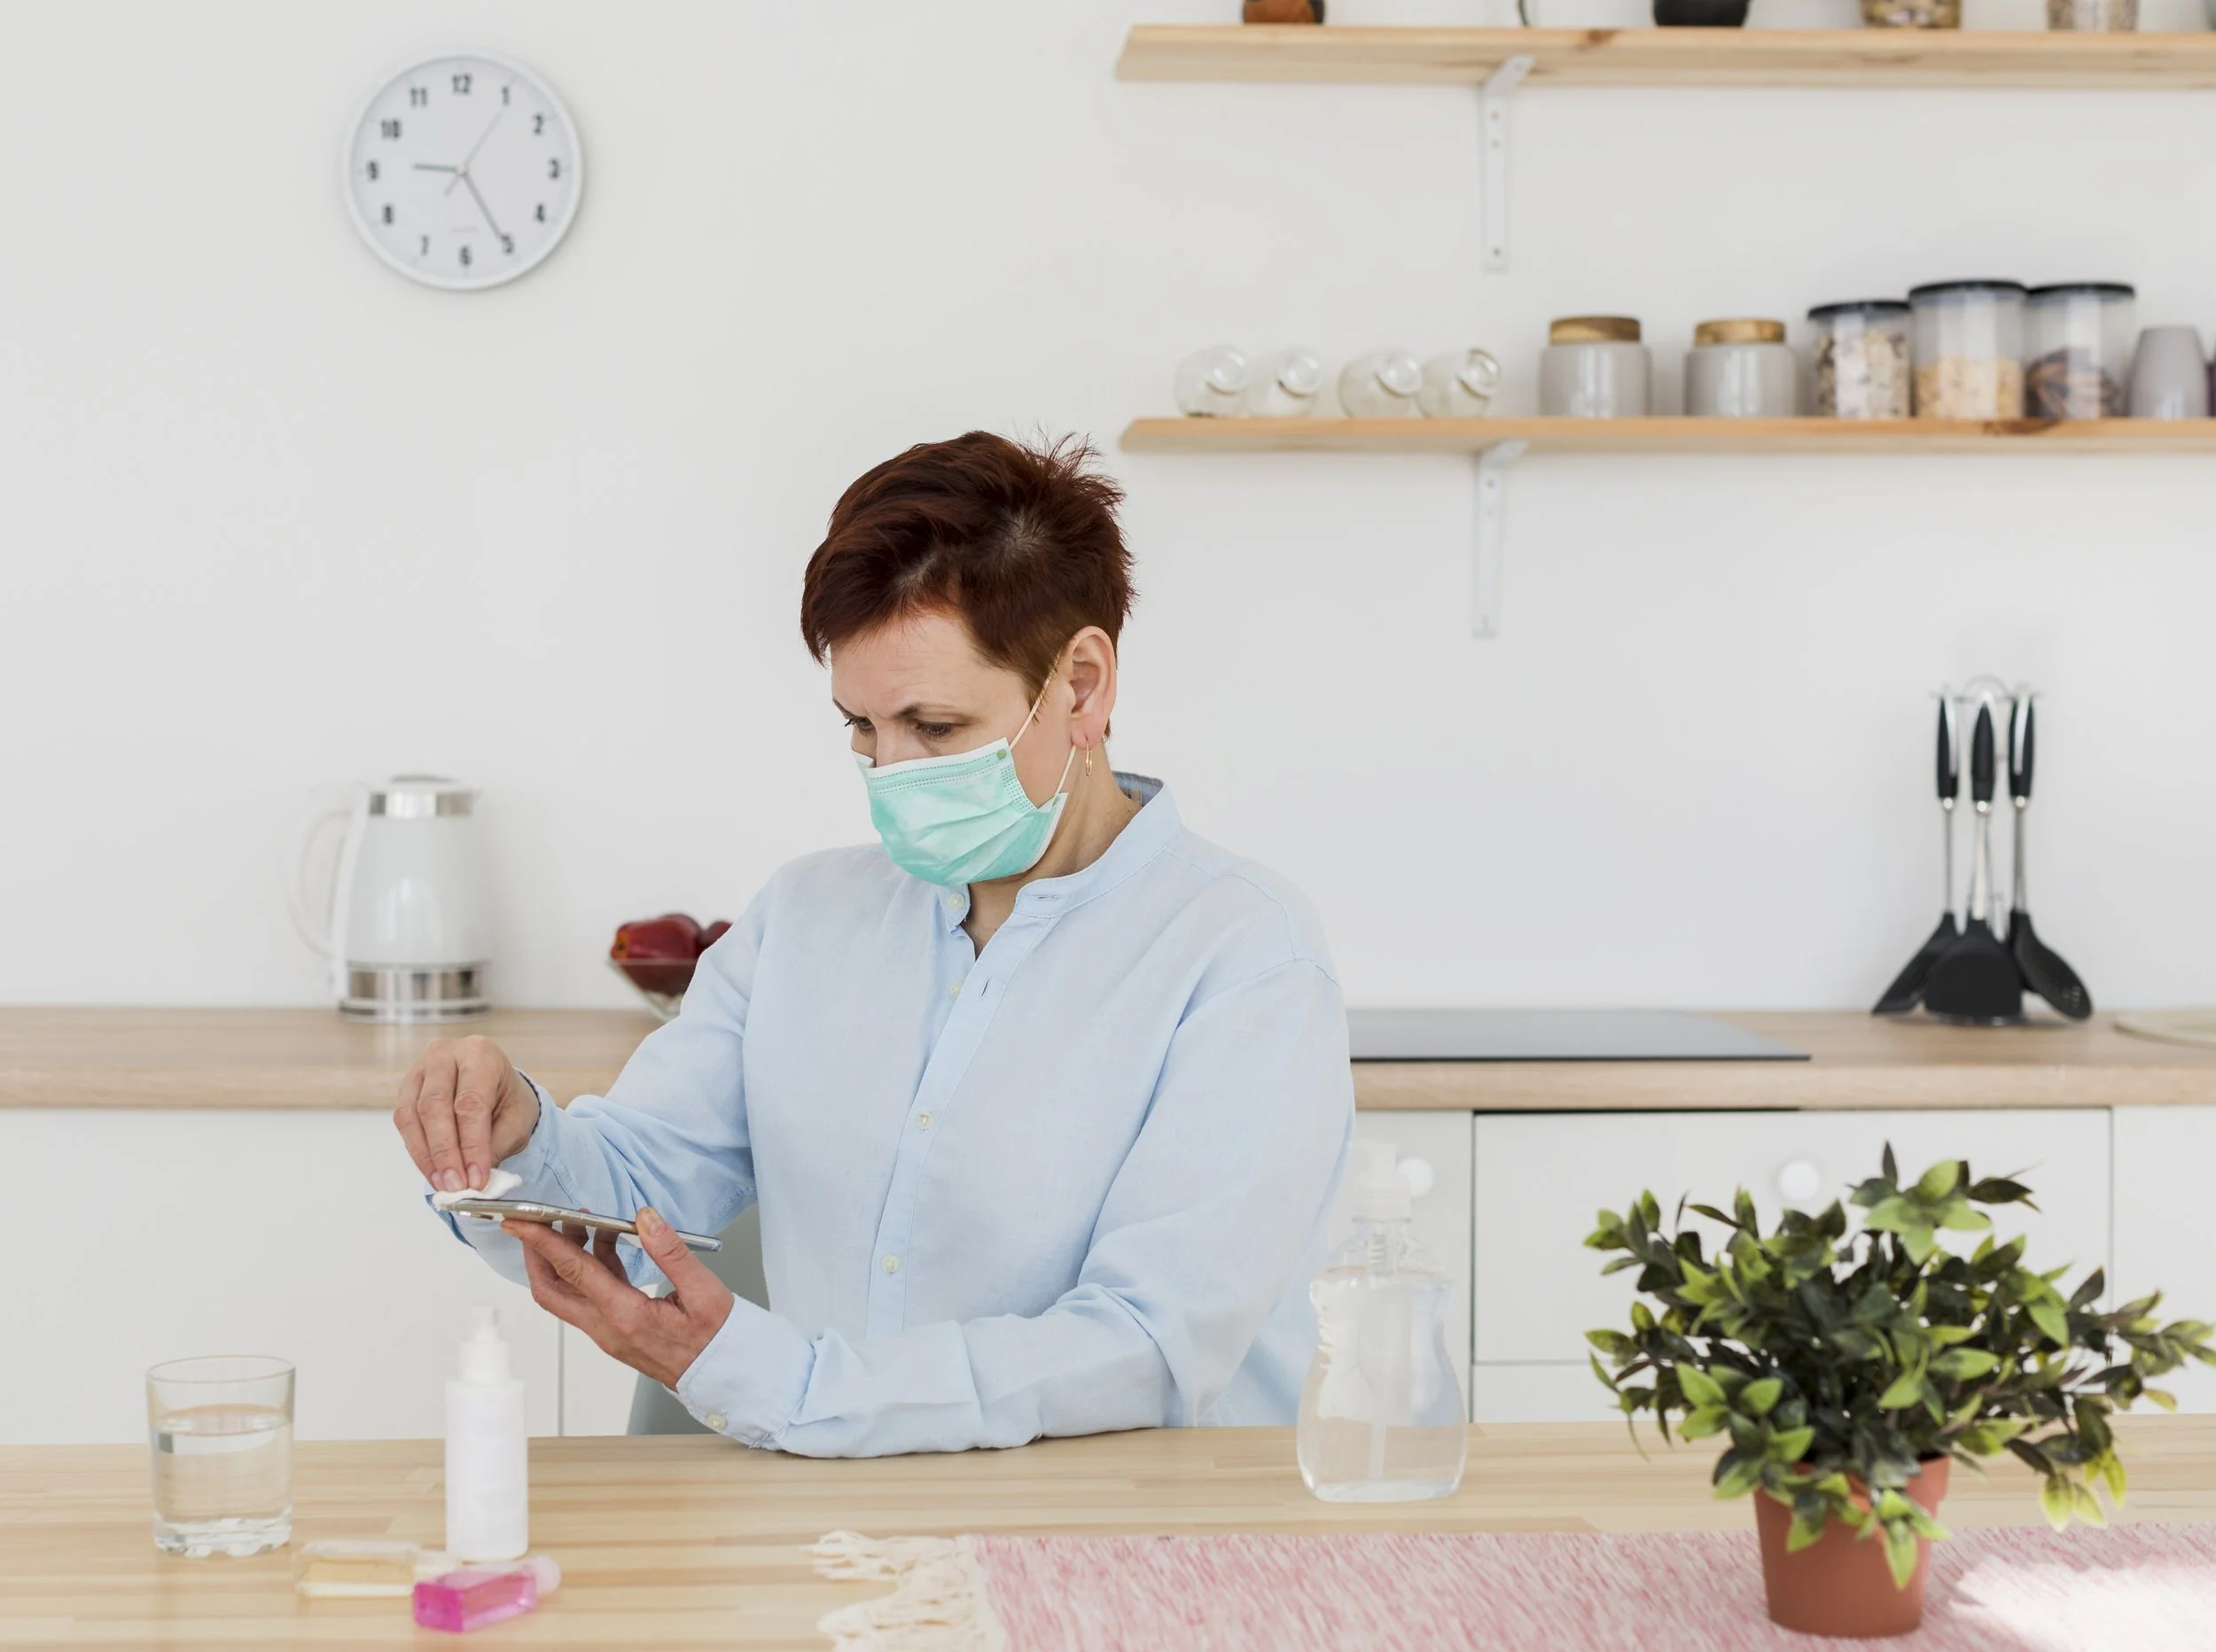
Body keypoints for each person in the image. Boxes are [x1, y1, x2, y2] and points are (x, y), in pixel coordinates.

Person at [393, 431, 1354, 1456]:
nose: (890, 771)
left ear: (1080, 685)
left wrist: (795, 1386)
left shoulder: (1245, 956)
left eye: (932, 727)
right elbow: (640, 1193)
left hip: (1131, 1549)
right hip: (845, 1532)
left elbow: (1148, 1344)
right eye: (860, 727)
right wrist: (514, 1140)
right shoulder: (806, 919)